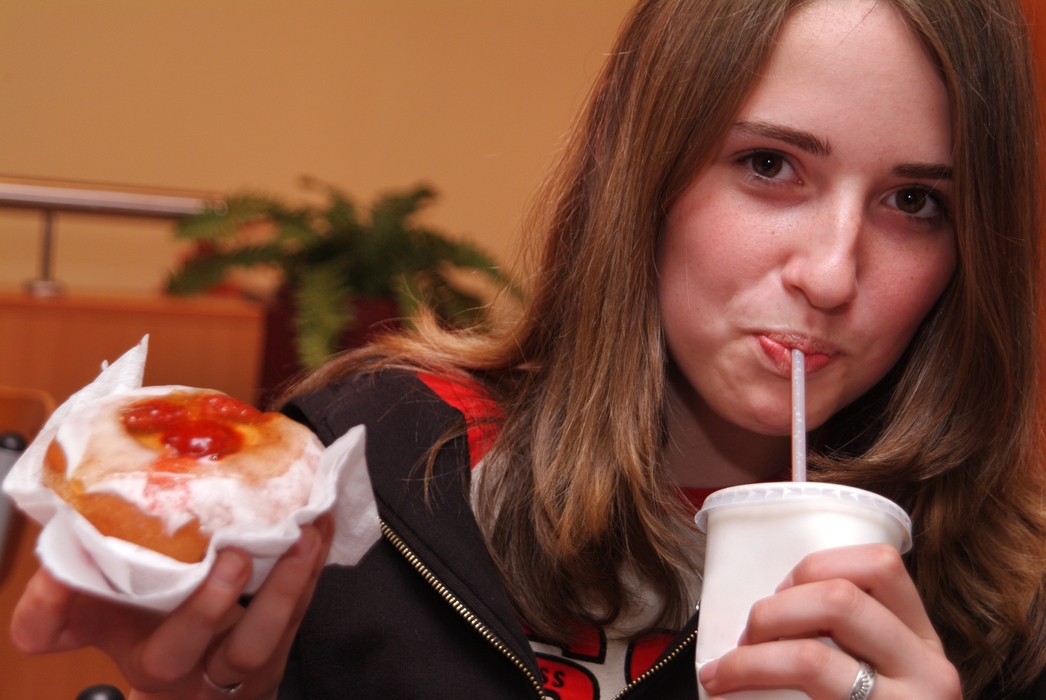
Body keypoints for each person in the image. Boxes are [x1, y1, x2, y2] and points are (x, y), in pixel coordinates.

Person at [10, 0, 1046, 698]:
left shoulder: (1006, 607)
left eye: (914, 202)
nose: (829, 272)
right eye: (769, 165)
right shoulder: (367, 463)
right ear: (644, 177)